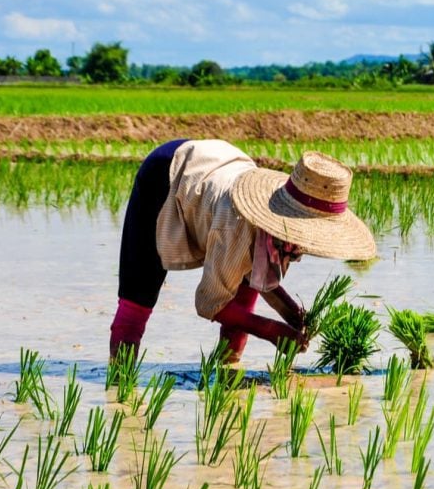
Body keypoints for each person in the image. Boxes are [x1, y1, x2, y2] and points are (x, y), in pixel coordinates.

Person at [108, 139, 376, 363]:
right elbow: (208, 303)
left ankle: (227, 371)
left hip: (220, 162)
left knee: (243, 295)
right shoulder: (234, 225)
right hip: (167, 173)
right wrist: (271, 330)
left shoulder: (289, 233)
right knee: (139, 294)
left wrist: (290, 312)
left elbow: (258, 273)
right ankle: (120, 378)